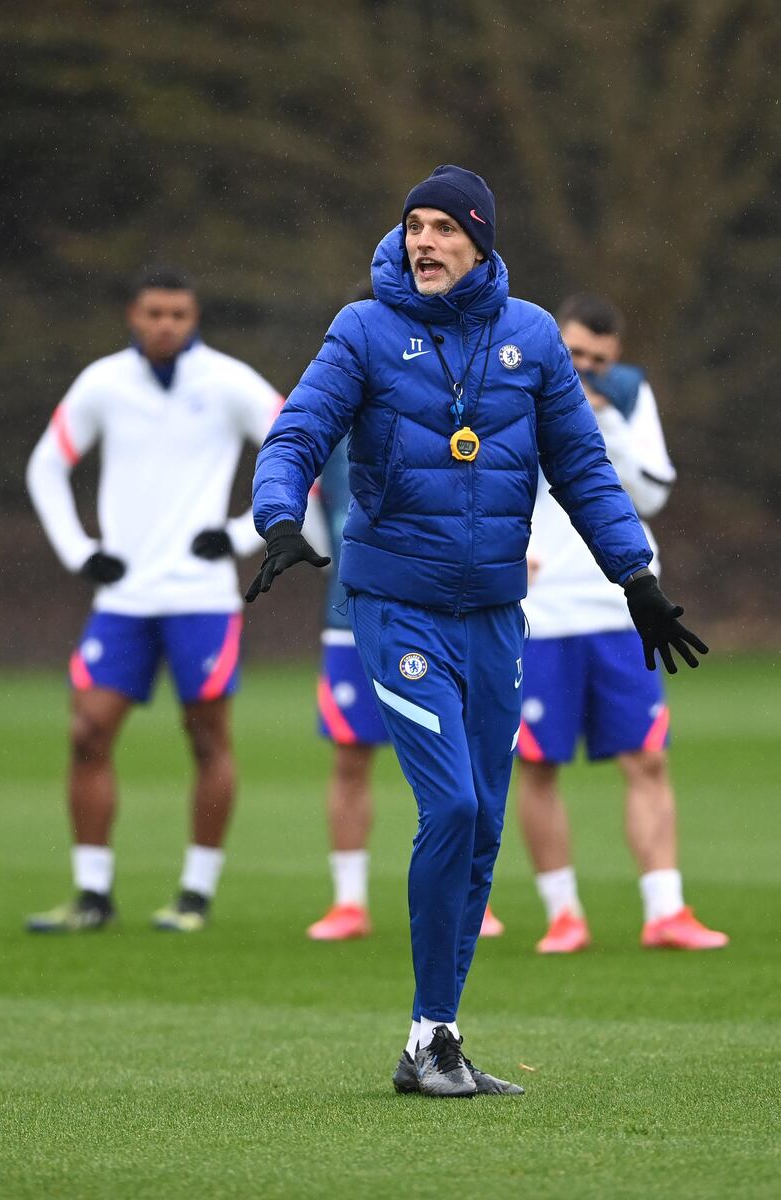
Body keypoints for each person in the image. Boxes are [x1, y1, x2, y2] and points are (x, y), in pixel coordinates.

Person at [246, 165, 707, 1097]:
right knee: (451, 805)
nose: (424, 242)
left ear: (480, 240)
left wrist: (637, 578)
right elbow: (297, 433)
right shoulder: (362, 329)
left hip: (497, 615)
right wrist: (278, 515)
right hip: (394, 606)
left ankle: (434, 1038)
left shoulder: (533, 336)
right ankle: (429, 1041)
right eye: (412, 226)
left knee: (486, 824)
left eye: (443, 229)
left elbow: (583, 469)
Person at [24, 267, 283, 933]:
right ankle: (92, 894)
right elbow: (46, 464)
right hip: (124, 598)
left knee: (205, 737)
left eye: (178, 313)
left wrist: (237, 535)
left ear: (194, 318)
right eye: (154, 313)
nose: (165, 324)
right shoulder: (104, 383)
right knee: (87, 733)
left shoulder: (228, 382)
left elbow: (298, 458)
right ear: (133, 317)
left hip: (202, 598)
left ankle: (194, 894)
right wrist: (79, 552)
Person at [516, 294, 728, 953]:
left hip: (621, 606)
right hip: (540, 610)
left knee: (647, 758)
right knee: (538, 763)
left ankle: (665, 909)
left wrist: (604, 421)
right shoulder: (515, 386)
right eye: (574, 354)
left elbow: (652, 494)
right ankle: (563, 913)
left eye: (599, 361)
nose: (584, 369)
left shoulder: (628, 397)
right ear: (556, 341)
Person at [308, 291, 504, 943]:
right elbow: (307, 491)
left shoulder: (439, 401)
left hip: (440, 607)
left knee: (459, 760)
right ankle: (349, 899)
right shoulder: (328, 407)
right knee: (352, 753)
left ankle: (472, 891)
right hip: (351, 611)